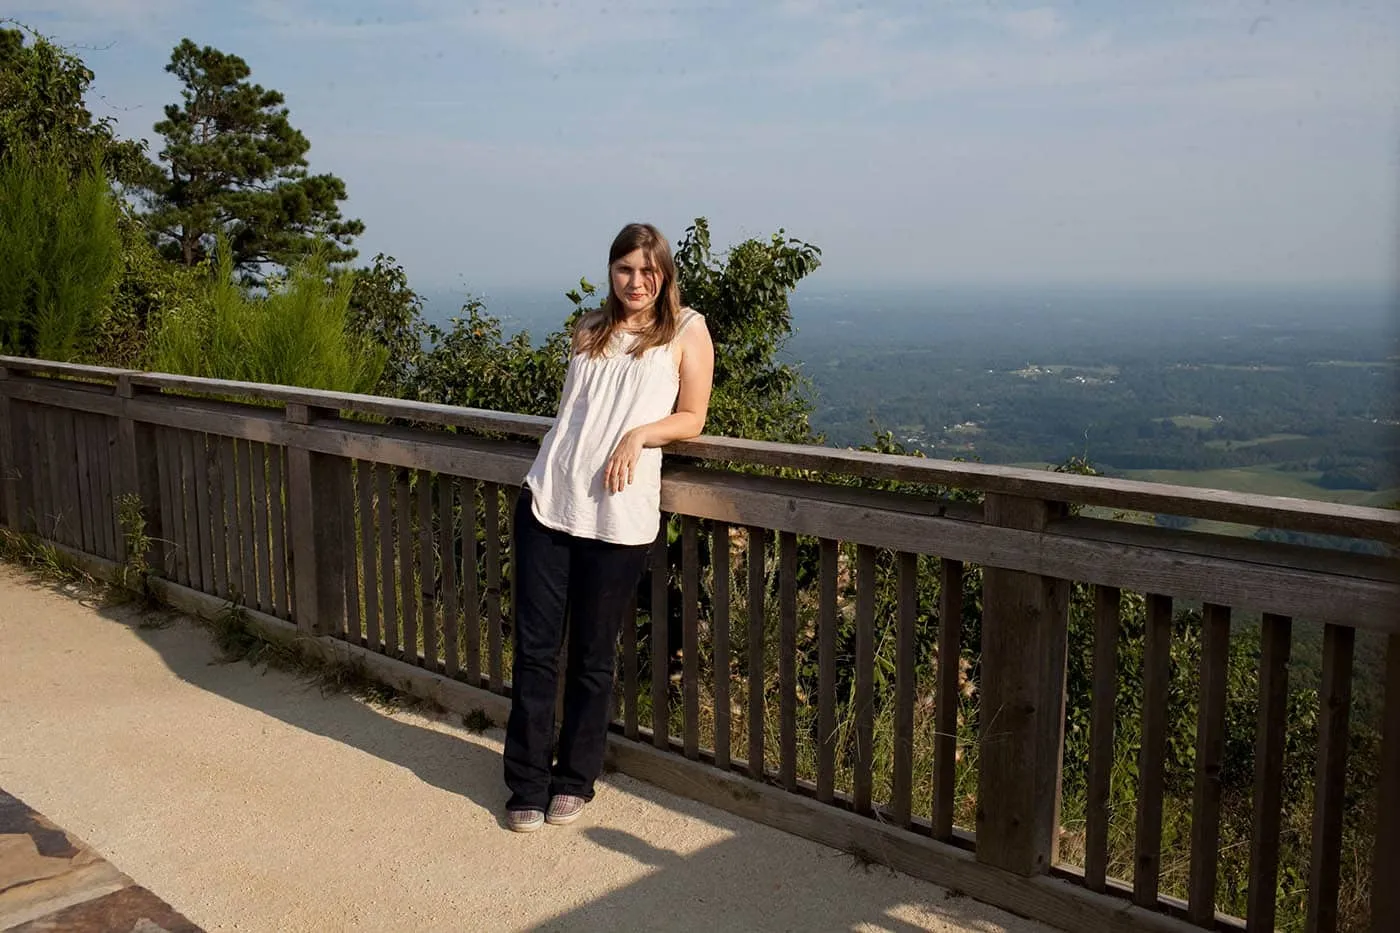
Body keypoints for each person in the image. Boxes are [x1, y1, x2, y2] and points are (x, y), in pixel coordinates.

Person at [503, 222, 715, 832]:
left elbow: (694, 417)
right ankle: (526, 782)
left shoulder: (686, 331)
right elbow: (573, 418)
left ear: (665, 274)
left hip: (620, 513)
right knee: (537, 651)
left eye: (649, 271)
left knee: (594, 656)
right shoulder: (590, 331)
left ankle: (575, 778)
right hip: (550, 498)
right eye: (626, 269)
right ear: (611, 271)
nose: (637, 282)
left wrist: (640, 434)